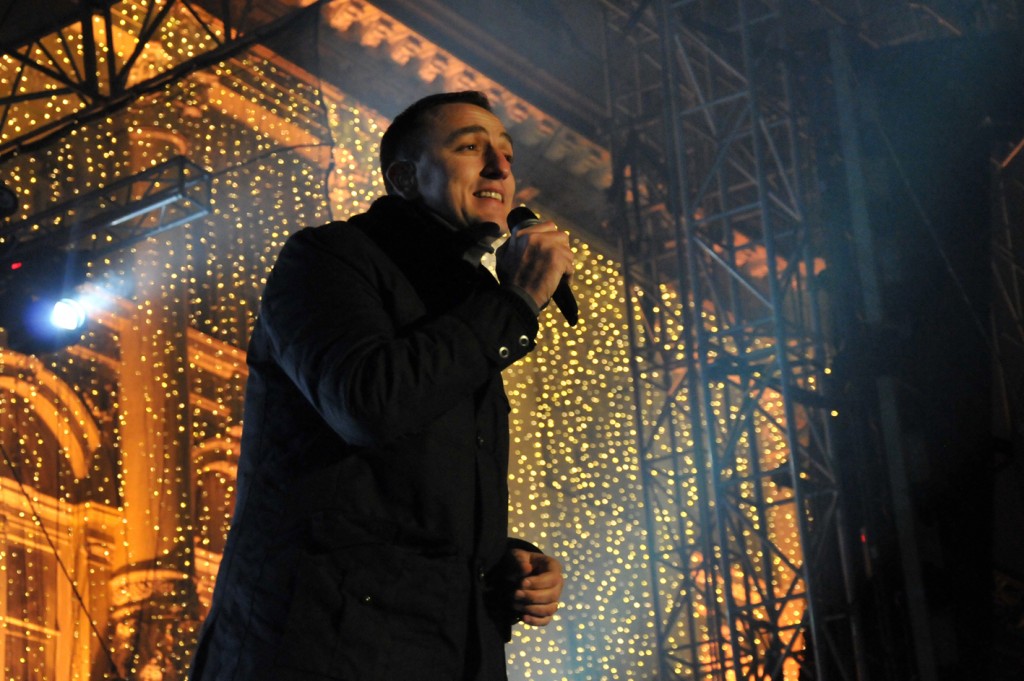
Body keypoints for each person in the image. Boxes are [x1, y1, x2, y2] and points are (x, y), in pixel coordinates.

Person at [188, 90, 571, 681]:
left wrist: (504, 563)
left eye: (507, 155)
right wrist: (515, 304)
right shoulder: (329, 259)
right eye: (470, 148)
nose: (499, 168)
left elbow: (407, 496)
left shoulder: (468, 306)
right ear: (405, 177)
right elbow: (366, 404)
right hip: (324, 648)